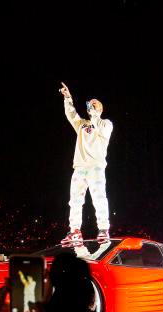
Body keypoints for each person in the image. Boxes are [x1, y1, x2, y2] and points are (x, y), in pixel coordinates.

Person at [59, 82, 113, 246]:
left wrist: (95, 114)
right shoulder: (82, 124)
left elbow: (100, 127)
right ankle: (74, 230)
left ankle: (103, 229)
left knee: (99, 197)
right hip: (80, 167)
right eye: (89, 104)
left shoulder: (106, 124)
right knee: (75, 200)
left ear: (100, 109)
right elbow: (71, 114)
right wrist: (68, 98)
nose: (90, 106)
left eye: (94, 104)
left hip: (96, 167)